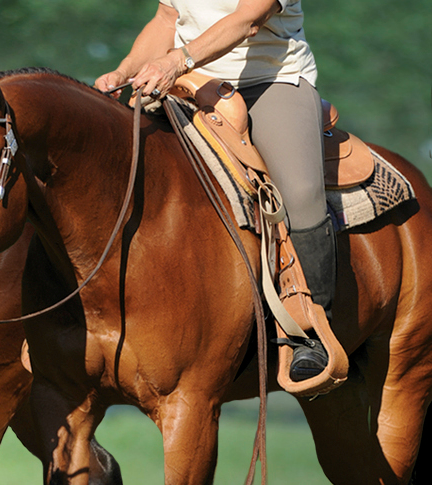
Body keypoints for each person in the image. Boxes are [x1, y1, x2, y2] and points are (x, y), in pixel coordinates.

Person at [95, 0, 331, 381]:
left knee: (300, 193)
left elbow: (249, 19)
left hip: (267, 82)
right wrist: (125, 71)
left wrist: (176, 61)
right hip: (187, 84)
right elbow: (166, 19)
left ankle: (310, 332)